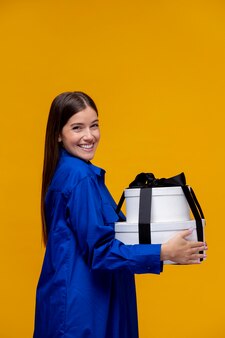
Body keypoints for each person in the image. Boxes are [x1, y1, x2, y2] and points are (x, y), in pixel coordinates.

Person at [33, 91, 207, 338]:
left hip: (87, 302)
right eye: (77, 128)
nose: (89, 136)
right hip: (82, 312)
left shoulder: (76, 172)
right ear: (58, 135)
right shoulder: (79, 177)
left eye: (94, 125)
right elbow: (100, 251)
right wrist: (163, 252)